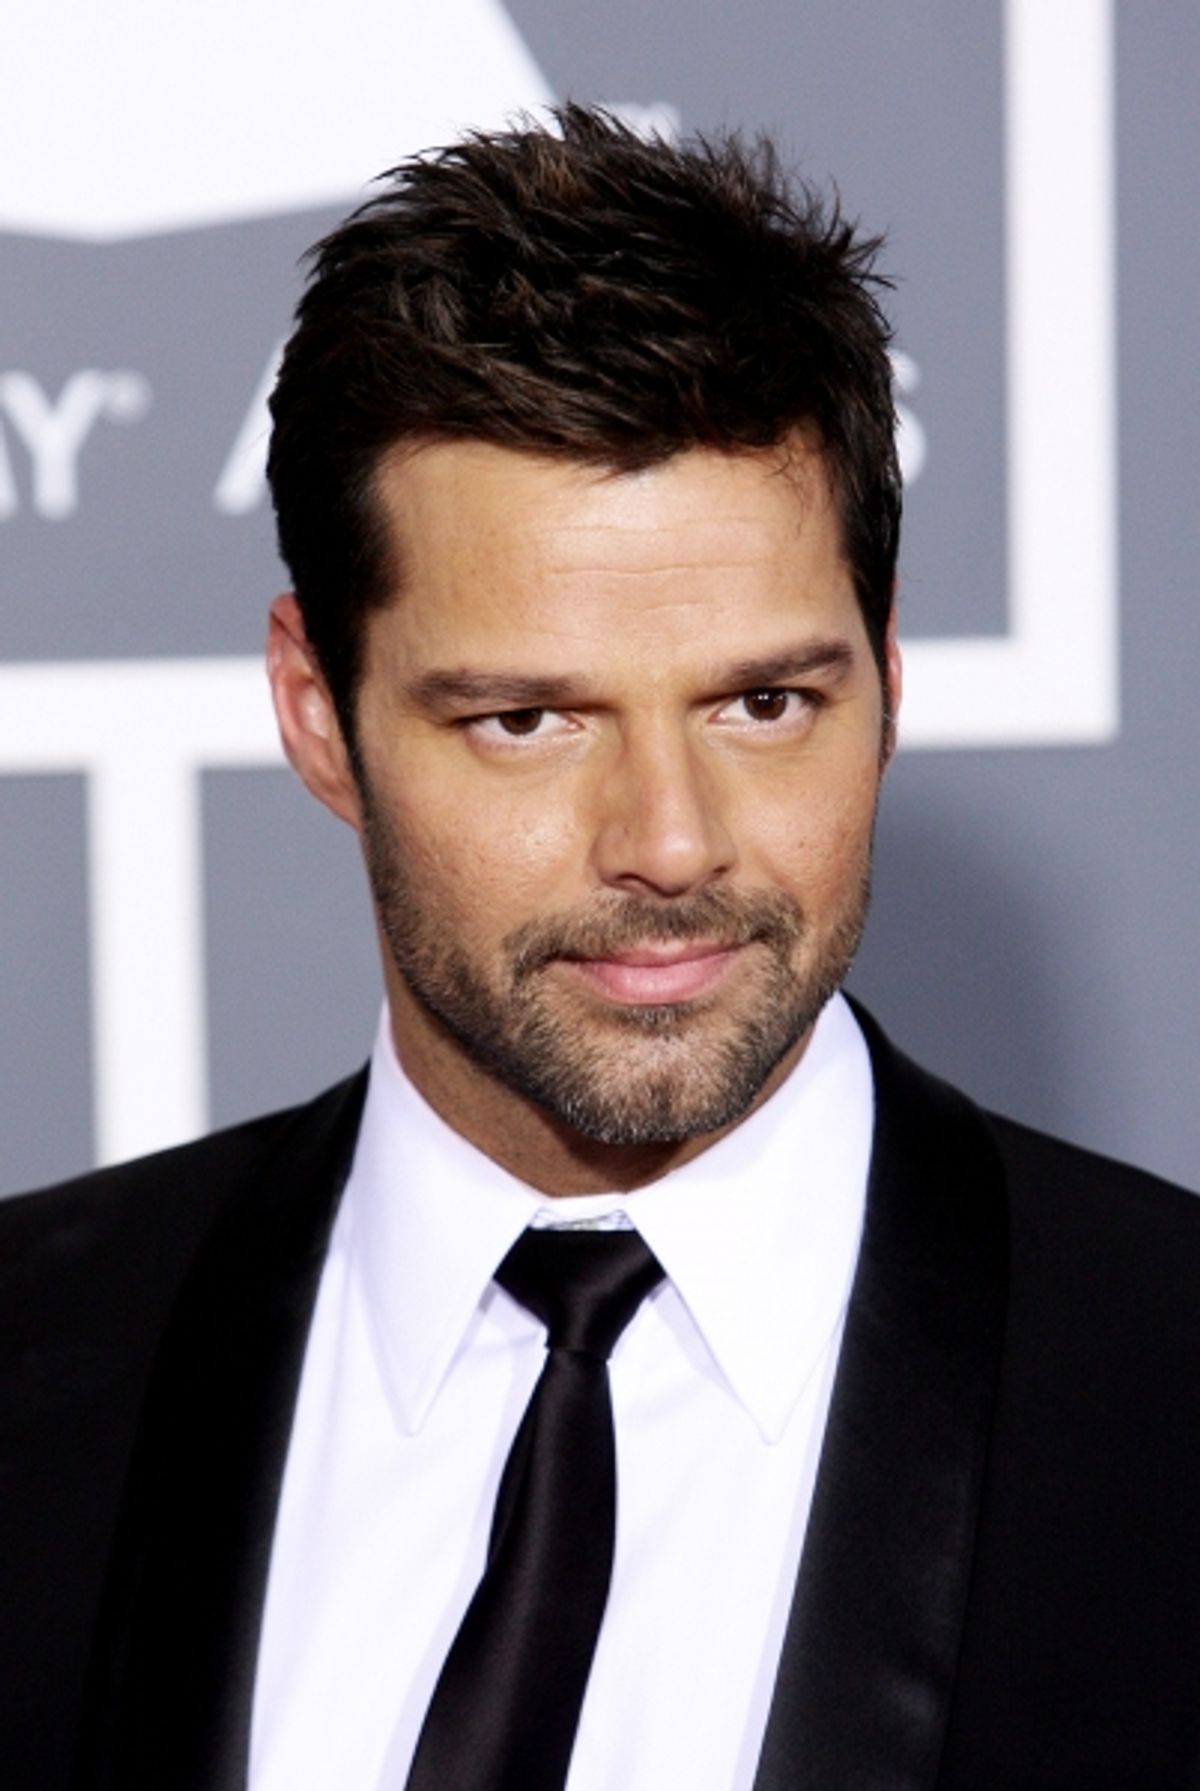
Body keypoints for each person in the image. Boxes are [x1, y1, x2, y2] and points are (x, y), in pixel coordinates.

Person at [3, 106, 1199, 1791]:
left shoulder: (1163, 1382)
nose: (670, 839)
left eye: (766, 702)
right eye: (527, 720)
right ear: (316, 715)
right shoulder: (38, 1375)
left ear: (891, 677)